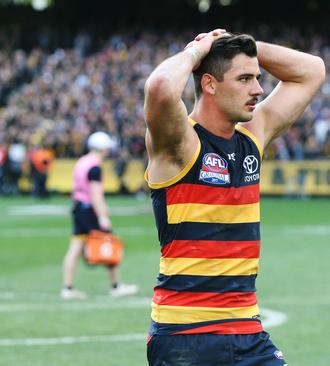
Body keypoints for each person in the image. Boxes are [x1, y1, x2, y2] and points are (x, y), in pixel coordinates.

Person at [143, 29, 324, 365]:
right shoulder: (181, 144)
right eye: (244, 78)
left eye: (257, 77)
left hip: (247, 329)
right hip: (186, 337)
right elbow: (160, 87)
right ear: (210, 84)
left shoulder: (253, 135)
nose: (258, 89)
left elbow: (311, 70)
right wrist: (199, 50)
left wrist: (242, 44)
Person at [61, 132, 138, 300]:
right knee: (109, 243)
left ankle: (67, 287)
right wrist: (103, 215)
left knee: (75, 248)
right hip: (89, 210)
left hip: (78, 207)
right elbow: (95, 194)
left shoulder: (82, 162)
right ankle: (116, 285)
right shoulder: (94, 167)